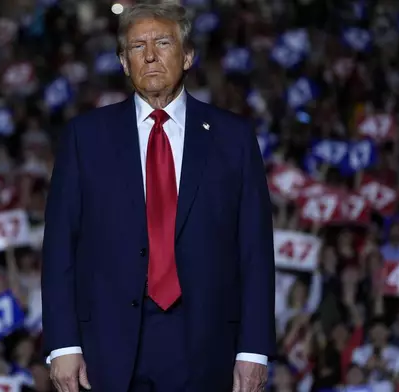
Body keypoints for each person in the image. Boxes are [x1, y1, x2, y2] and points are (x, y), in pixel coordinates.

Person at [41, 2, 275, 392]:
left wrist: (253, 350)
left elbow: (254, 250)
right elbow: (60, 247)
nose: (149, 55)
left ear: (187, 56)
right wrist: (63, 343)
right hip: (107, 345)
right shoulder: (86, 137)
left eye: (162, 42)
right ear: (122, 61)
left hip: (206, 341)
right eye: (136, 46)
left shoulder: (232, 138)